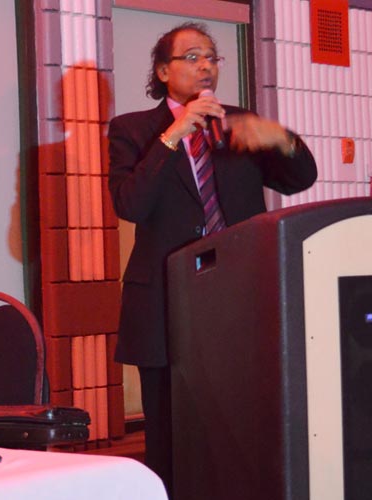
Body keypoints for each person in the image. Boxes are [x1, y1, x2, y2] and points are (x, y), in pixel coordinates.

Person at [107, 23, 317, 496]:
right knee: (168, 434)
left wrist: (280, 137)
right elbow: (130, 205)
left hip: (237, 296)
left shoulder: (238, 122)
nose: (205, 66)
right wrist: (173, 136)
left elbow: (299, 180)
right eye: (192, 57)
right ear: (163, 71)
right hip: (164, 300)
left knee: (240, 425)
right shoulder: (133, 130)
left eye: (212, 57)